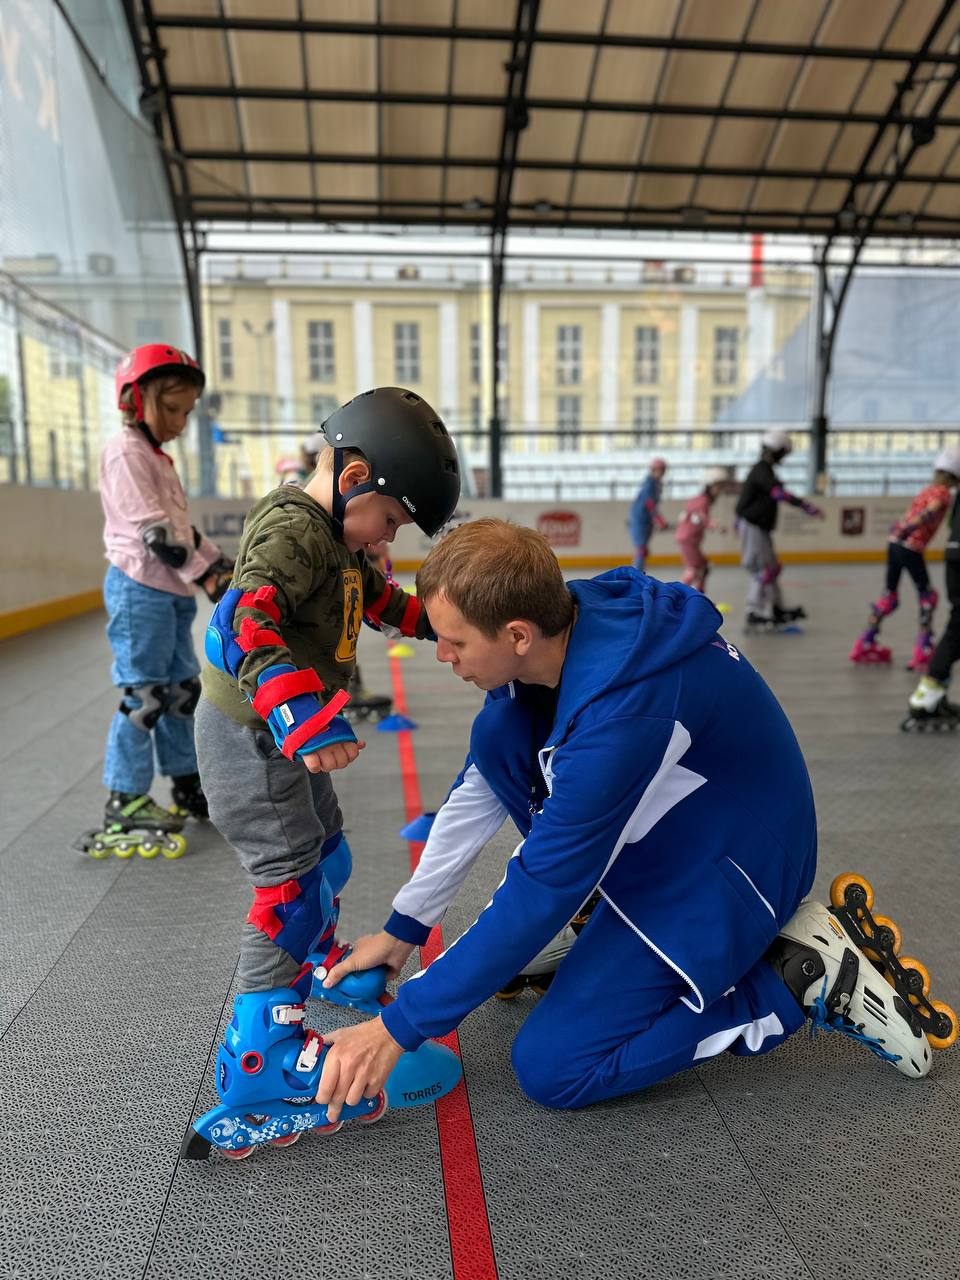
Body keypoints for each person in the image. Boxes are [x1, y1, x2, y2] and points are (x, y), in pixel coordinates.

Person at [312, 519, 954, 1123]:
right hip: (679, 823)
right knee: (502, 732)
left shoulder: (624, 717)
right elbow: (482, 781)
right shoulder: (564, 618)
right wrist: (405, 928)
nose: (441, 656)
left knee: (554, 1066)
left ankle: (795, 974)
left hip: (738, 861)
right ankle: (608, 925)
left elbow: (544, 884)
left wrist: (399, 1028)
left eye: (454, 641)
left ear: (516, 636)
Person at [185, 387, 461, 1157]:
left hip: (284, 737)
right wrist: (298, 714)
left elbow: (380, 602)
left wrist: (446, 622)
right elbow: (242, 623)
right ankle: (261, 1063)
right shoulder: (292, 530)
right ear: (353, 480)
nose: (389, 538)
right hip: (254, 737)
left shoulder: (341, 542)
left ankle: (314, 964)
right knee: (290, 887)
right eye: (392, 520)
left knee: (328, 855)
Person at [82, 344, 234, 861]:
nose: (181, 422)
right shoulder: (125, 451)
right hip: (139, 589)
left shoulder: (154, 456)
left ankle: (186, 783)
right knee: (144, 695)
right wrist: (207, 578)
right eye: (172, 409)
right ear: (134, 399)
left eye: (187, 412)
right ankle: (124, 799)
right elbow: (158, 538)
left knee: (180, 693)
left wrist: (222, 564)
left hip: (167, 592)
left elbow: (182, 530)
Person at [850, 447, 960, 670]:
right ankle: (923, 649)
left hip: (894, 544)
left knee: (888, 596)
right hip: (911, 546)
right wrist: (909, 527)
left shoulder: (927, 490)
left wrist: (901, 528)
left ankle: (865, 641)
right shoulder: (942, 493)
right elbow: (931, 511)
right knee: (927, 597)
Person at [735, 430, 822, 630]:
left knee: (772, 569)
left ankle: (775, 607)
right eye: (783, 453)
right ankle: (754, 610)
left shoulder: (764, 470)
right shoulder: (762, 470)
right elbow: (777, 493)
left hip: (758, 526)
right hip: (754, 525)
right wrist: (805, 506)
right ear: (777, 451)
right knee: (765, 570)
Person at [904, 468, 960, 728]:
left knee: (956, 622)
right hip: (921, 551)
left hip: (952, 556)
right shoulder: (941, 492)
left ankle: (931, 692)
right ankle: (927, 694)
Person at [674, 467, 728, 594]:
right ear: (709, 486)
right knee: (693, 569)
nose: (720, 490)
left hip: (688, 538)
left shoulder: (698, 499)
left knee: (703, 566)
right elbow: (701, 516)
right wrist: (714, 524)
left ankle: (699, 595)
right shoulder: (703, 500)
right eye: (718, 486)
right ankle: (677, 595)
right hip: (689, 539)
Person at [629, 457, 668, 571]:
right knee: (641, 549)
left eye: (663, 470)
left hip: (646, 520)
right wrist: (659, 520)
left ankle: (638, 572)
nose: (661, 473)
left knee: (643, 549)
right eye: (659, 470)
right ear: (653, 470)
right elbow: (649, 503)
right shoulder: (650, 484)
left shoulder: (656, 484)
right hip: (640, 519)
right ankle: (636, 574)